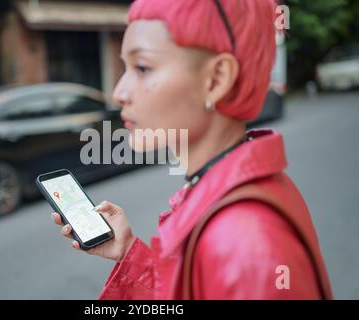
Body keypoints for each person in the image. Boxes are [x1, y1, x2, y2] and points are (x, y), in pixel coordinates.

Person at [52, 0, 332, 299]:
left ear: (217, 79)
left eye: (142, 67)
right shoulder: (236, 195)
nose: (119, 93)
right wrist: (128, 252)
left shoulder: (245, 244)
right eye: (125, 67)